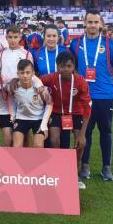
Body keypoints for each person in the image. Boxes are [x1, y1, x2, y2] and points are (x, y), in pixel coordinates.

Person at [70, 9, 113, 182]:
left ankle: (106, 167)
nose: (92, 25)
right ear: (85, 23)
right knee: (84, 133)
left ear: (101, 24)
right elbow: (70, 67)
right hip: (83, 97)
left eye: (95, 22)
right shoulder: (76, 43)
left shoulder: (109, 43)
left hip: (105, 95)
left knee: (106, 132)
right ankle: (84, 166)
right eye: (90, 22)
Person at [40, 51, 91, 190]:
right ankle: (57, 171)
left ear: (73, 66)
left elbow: (87, 108)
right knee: (54, 139)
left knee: (81, 143)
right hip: (56, 112)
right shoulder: (52, 77)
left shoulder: (80, 81)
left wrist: (82, 134)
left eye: (69, 66)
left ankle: (74, 172)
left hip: (75, 114)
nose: (66, 69)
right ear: (57, 67)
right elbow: (36, 80)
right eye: (62, 66)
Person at [8, 59, 52, 149]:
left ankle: (37, 163)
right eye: (22, 73)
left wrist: (44, 124)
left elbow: (49, 104)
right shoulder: (13, 87)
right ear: (17, 74)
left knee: (38, 145)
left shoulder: (41, 89)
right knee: (17, 146)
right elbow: (11, 99)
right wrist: (13, 116)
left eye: (28, 73)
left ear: (33, 73)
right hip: (21, 118)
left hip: (38, 119)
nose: (25, 76)